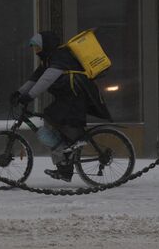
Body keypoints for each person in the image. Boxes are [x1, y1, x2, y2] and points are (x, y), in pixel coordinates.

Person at [11, 31, 112, 182]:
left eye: (38, 47)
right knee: (51, 120)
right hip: (67, 97)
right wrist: (19, 92)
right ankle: (64, 165)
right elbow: (34, 79)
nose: (36, 51)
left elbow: (46, 79)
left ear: (46, 45)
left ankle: (71, 152)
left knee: (55, 120)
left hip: (75, 96)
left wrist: (30, 96)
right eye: (35, 49)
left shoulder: (60, 56)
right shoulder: (48, 59)